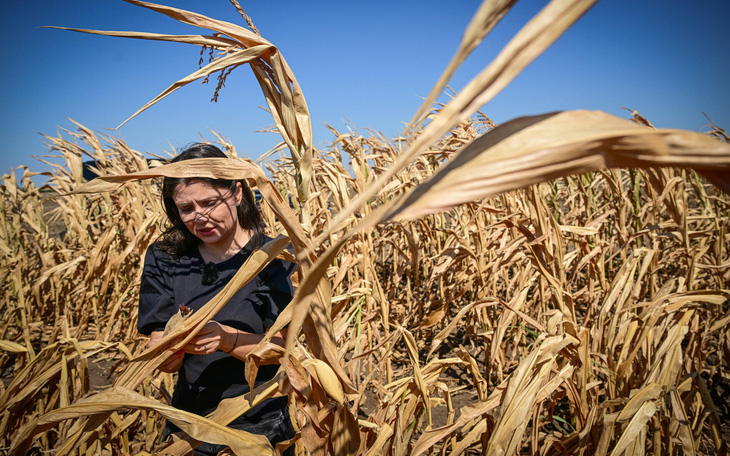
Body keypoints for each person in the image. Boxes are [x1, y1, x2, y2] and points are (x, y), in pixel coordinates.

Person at [137, 143, 296, 456]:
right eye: (186, 208)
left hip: (259, 421)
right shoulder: (164, 257)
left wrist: (226, 338)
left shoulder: (275, 258)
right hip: (189, 420)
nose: (199, 217)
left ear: (237, 193)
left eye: (209, 202)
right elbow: (162, 349)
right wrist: (169, 351)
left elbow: (282, 350)